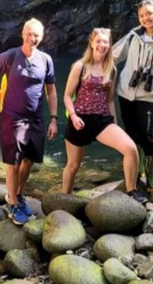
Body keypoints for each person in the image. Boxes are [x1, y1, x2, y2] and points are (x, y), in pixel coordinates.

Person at [62, 28, 147, 203]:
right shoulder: (80, 66)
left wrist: (114, 123)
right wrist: (73, 116)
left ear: (110, 45)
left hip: (102, 120)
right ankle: (65, 198)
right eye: (99, 41)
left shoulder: (112, 69)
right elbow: (67, 96)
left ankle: (132, 190)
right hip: (80, 119)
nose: (102, 45)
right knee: (73, 166)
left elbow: (109, 101)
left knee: (130, 149)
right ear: (92, 43)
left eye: (106, 42)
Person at [0, 18, 58, 225]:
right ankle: (11, 203)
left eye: (37, 35)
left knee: (29, 160)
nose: (33, 38)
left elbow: (51, 91)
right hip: (13, 116)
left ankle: (18, 194)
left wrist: (54, 118)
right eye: (30, 34)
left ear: (42, 37)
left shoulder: (46, 59)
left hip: (36, 118)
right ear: (23, 34)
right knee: (14, 161)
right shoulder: (10, 56)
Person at [112, 0, 153, 192]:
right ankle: (136, 172)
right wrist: (90, 62)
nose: (146, 18)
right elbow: (114, 54)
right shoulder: (133, 35)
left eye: (149, 13)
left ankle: (152, 180)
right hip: (125, 92)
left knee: (149, 137)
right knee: (131, 135)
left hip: (148, 96)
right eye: (142, 15)